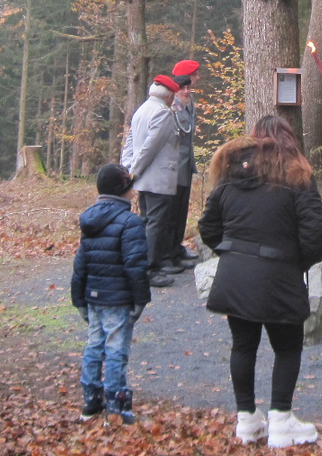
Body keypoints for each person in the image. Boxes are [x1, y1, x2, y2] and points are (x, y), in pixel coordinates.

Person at [199, 116, 322, 448]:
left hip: (235, 276)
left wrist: (231, 253)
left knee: (243, 346)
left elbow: (209, 227)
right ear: (289, 140)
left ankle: (247, 421)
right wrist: (296, 262)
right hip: (279, 276)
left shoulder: (230, 176)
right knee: (287, 348)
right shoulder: (298, 176)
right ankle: (281, 423)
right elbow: (315, 232)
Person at [72, 164, 152, 424]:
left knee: (94, 345)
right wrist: (140, 299)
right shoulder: (130, 222)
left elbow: (81, 262)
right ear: (125, 191)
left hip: (94, 297)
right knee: (116, 349)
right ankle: (117, 406)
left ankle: (90, 399)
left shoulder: (89, 218)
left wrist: (79, 298)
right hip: (118, 299)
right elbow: (135, 264)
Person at [120, 75, 182, 288]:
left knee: (147, 220)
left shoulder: (142, 110)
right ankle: (149, 269)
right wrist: (134, 170)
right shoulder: (162, 114)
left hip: (145, 176)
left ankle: (140, 265)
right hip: (158, 177)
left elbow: (130, 142)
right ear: (171, 95)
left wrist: (127, 166)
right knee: (155, 223)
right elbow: (150, 147)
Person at [164, 59, 203, 270]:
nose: (198, 78)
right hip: (173, 167)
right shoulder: (172, 103)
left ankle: (176, 248)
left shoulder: (189, 100)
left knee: (180, 211)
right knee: (170, 213)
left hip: (185, 166)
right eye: (195, 74)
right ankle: (167, 253)